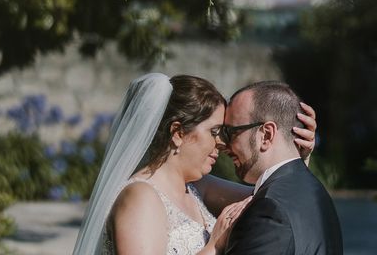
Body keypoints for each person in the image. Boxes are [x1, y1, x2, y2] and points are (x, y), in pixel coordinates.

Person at [72, 73, 317, 255]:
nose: (222, 144)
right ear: (178, 133)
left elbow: (270, 200)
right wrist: (213, 247)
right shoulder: (140, 197)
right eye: (215, 132)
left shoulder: (199, 187)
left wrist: (294, 154)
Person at [223, 81, 342, 254]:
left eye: (230, 133)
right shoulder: (315, 191)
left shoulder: (270, 210)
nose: (224, 145)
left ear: (266, 134)